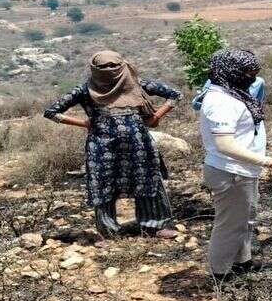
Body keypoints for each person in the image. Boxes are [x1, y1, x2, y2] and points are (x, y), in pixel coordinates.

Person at [199, 48, 272, 281]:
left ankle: (243, 262)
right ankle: (220, 276)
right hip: (230, 172)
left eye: (254, 71)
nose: (252, 77)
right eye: (248, 72)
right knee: (230, 225)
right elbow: (225, 144)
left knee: (245, 219)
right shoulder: (222, 101)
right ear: (231, 71)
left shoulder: (233, 92)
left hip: (242, 170)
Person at [44, 51, 181, 237]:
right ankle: (108, 231)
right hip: (102, 148)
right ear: (94, 69)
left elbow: (175, 95)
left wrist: (156, 116)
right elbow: (51, 112)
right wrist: (83, 123)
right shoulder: (84, 90)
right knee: (103, 186)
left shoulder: (137, 85)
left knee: (148, 180)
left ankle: (155, 226)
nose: (109, 70)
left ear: (122, 66)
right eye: (103, 67)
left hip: (139, 145)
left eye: (113, 66)